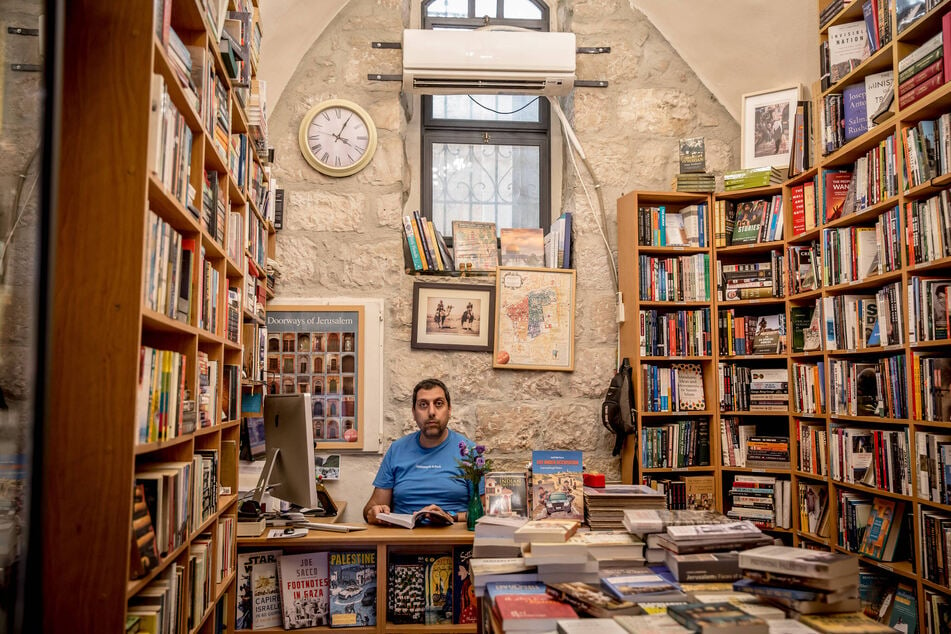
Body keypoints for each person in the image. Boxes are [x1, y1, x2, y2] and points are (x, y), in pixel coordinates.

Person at [363, 378, 484, 524]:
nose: (431, 412)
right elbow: (371, 508)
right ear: (414, 412)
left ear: (449, 410)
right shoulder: (397, 450)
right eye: (423, 405)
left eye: (438, 404)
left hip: (455, 542)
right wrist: (374, 513)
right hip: (402, 542)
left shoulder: (470, 453)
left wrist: (452, 516)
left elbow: (485, 511)